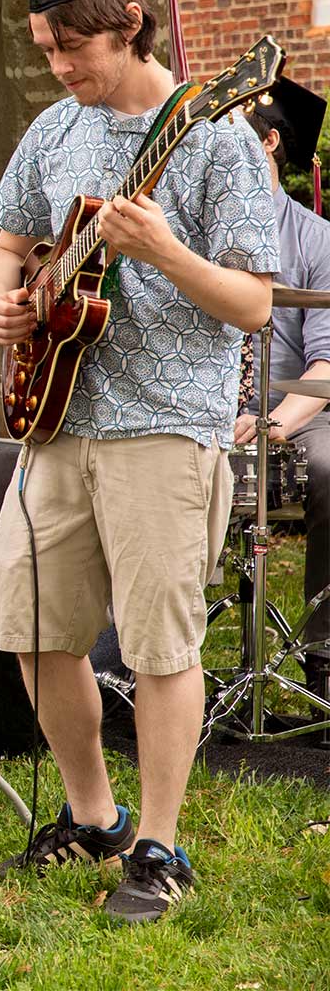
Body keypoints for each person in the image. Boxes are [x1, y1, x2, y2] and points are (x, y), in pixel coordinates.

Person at [0, 0, 277, 922]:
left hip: (166, 424)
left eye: (75, 47)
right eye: (47, 47)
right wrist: (5, 303)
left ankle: (159, 845)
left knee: (158, 643)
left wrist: (164, 249)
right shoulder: (55, 127)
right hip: (56, 417)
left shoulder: (217, 136)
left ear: (130, 24)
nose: (61, 66)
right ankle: (92, 813)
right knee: (30, 625)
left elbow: (251, 305)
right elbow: (9, 241)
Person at [236, 78, 330, 711]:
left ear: (270, 142)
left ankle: (324, 656)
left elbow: (327, 364)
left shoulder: (318, 241)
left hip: (297, 409)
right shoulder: (192, 231)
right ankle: (133, 662)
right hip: (205, 406)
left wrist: (274, 423)